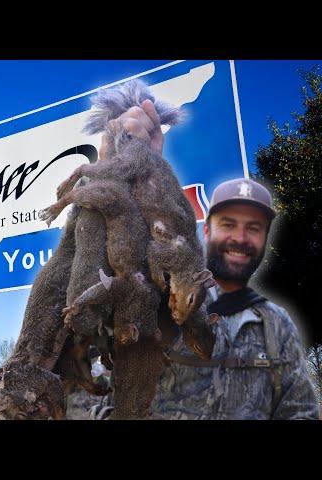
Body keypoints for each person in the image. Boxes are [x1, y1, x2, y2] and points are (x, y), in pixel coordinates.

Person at [92, 100, 319, 420]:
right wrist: (125, 175)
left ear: (265, 237)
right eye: (229, 224)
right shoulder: (161, 295)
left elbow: (300, 411)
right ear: (208, 229)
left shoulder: (275, 322)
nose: (240, 237)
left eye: (254, 228)